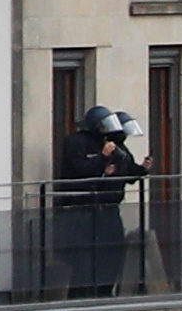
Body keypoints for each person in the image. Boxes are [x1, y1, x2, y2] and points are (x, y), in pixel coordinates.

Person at [50, 104, 145, 297]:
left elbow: (125, 170)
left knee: (111, 253)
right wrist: (102, 160)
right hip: (81, 209)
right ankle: (81, 295)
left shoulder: (112, 146)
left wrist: (141, 170)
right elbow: (82, 170)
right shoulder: (76, 143)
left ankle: (104, 290)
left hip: (108, 209)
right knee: (83, 259)